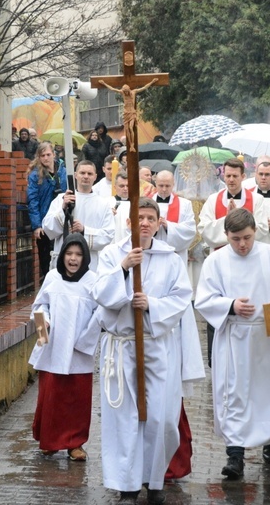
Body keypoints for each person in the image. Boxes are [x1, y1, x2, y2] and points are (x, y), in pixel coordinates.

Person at [92, 197, 203, 505]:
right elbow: (100, 294)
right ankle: (127, 484)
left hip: (157, 344)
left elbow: (182, 299)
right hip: (122, 345)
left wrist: (152, 304)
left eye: (150, 218)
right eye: (138, 217)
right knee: (124, 418)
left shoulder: (170, 258)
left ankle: (155, 481)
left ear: (158, 223)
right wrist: (124, 269)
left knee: (162, 419)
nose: (144, 222)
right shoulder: (112, 254)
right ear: (128, 221)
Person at [194, 208, 270, 479]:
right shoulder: (216, 260)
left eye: (247, 237)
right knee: (234, 395)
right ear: (226, 236)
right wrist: (230, 305)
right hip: (233, 336)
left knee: (268, 391)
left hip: (266, 333)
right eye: (235, 239)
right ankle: (235, 455)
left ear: (255, 232)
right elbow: (204, 298)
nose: (242, 245)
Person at [29, 233, 101, 461]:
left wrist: (84, 341)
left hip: (79, 350)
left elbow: (100, 315)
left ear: (85, 257)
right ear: (62, 256)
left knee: (77, 398)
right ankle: (50, 441)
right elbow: (40, 305)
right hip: (53, 347)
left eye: (78, 254)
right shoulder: (52, 277)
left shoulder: (92, 281)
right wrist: (44, 324)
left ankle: (75, 444)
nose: (73, 259)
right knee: (52, 396)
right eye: (69, 253)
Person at [198, 158, 268, 367]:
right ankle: (216, 359)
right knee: (218, 305)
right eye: (227, 176)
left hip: (250, 265)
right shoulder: (213, 200)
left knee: (248, 307)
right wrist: (226, 221)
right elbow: (204, 230)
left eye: (235, 176)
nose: (230, 180)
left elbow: (261, 229)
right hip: (220, 264)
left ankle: (255, 356)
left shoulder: (257, 201)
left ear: (243, 177)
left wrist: (240, 228)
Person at [152, 169, 199, 481]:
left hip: (173, 279)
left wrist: (169, 226)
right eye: (161, 184)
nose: (165, 188)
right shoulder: (145, 204)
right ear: (154, 184)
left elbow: (190, 233)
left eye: (169, 184)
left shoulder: (182, 206)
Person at [43, 160, 115, 271]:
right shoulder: (61, 199)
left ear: (95, 177)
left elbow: (108, 235)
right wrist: (63, 210)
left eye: (90, 174)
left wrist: (84, 231)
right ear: (76, 175)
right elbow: (48, 229)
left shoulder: (103, 204)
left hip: (90, 264)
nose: (86, 176)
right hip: (63, 261)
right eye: (82, 173)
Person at [27, 142, 67, 280]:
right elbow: (33, 201)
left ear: (54, 155)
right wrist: (37, 225)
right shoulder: (35, 176)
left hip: (63, 220)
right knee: (46, 260)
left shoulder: (63, 171)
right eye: (42, 155)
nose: (46, 158)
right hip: (45, 222)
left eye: (48, 154)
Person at [98, 79, 159, 152]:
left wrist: (152, 82)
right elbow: (113, 89)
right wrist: (104, 83)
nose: (126, 92)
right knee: (127, 130)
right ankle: (130, 144)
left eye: (126, 91)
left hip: (132, 112)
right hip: (126, 113)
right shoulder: (122, 93)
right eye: (124, 91)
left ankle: (132, 144)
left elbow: (144, 87)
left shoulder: (134, 92)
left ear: (129, 89)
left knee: (131, 128)